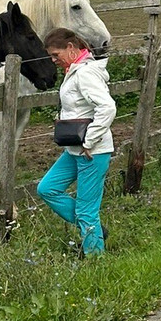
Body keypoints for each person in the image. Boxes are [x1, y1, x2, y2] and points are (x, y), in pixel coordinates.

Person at [36, 28, 116, 256]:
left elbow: (107, 107)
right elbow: (81, 106)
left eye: (55, 54)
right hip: (74, 149)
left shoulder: (85, 73)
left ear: (71, 48)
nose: (53, 60)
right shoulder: (75, 70)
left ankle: (95, 264)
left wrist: (90, 141)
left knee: (86, 210)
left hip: (92, 151)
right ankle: (94, 230)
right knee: (47, 189)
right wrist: (64, 119)